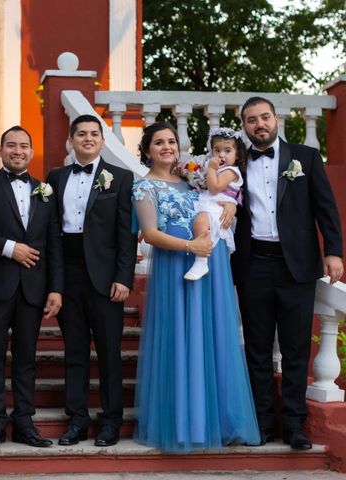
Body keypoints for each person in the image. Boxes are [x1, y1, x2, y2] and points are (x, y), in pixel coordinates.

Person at [132, 121, 260, 452]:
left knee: (214, 336)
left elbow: (215, 196)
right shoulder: (143, 187)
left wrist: (231, 204)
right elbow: (150, 234)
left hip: (212, 263)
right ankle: (183, 423)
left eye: (171, 141)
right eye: (158, 142)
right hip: (177, 264)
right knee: (180, 340)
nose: (167, 147)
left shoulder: (191, 178)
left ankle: (218, 421)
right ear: (147, 149)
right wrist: (192, 248)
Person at [232, 97, 344, 450]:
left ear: (276, 119)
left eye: (264, 117)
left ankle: (294, 426)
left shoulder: (305, 158)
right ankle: (263, 424)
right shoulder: (235, 162)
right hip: (254, 265)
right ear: (245, 126)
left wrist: (335, 252)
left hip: (297, 265)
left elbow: (326, 207)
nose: (259, 124)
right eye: (251, 120)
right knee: (258, 349)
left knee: (296, 349)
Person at [0, 126, 63, 449]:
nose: (17, 151)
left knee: (25, 358)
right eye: (11, 145)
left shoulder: (44, 190)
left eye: (24, 146)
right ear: (1, 149)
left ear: (31, 152)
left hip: (33, 287)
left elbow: (53, 245)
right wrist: (9, 247)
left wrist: (55, 288)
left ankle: (24, 424)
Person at [46, 114, 135, 447]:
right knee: (75, 351)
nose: (87, 138)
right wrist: (53, 282)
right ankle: (77, 420)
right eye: (80, 134)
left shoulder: (121, 178)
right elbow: (50, 231)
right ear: (70, 141)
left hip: (106, 276)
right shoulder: (55, 178)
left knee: (110, 352)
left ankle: (111, 421)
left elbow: (127, 233)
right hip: (68, 273)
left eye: (93, 134)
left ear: (102, 141)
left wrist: (123, 277)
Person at [184, 127, 246, 281]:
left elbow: (215, 187)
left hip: (217, 207)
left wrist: (211, 168)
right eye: (216, 150)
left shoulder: (231, 171)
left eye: (227, 150)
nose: (221, 155)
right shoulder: (219, 169)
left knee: (201, 222)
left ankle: (201, 261)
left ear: (237, 155)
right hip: (209, 203)